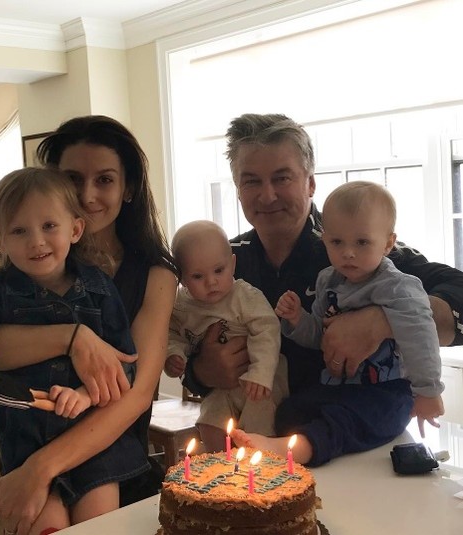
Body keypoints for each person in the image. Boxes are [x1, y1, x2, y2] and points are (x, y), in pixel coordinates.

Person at [182, 113, 463, 466]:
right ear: (238, 189)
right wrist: (201, 371)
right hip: (255, 455)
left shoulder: (355, 248)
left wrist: (382, 321)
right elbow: (183, 344)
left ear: (310, 183)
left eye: (282, 178)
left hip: (359, 453)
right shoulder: (221, 262)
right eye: (251, 181)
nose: (267, 195)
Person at [0, 116, 178, 535]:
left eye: (105, 180)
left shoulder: (153, 274)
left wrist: (39, 470)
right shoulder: (21, 266)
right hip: (28, 442)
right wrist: (72, 338)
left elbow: (134, 394)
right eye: (73, 179)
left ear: (128, 188)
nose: (87, 194)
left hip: (106, 458)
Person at [245, 180, 443, 466]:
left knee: (345, 419)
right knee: (291, 411)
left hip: (386, 391)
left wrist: (428, 391)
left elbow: (421, 338)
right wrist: (297, 319)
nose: (348, 252)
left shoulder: (399, 287)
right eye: (337, 242)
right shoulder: (328, 280)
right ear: (325, 240)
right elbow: (319, 337)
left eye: (362, 242)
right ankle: (296, 442)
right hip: (337, 386)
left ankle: (301, 449)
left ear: (388, 243)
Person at [165, 220, 286, 452]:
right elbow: (172, 333)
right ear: (182, 278)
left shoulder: (243, 296)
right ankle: (219, 462)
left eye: (219, 271)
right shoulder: (181, 306)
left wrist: (261, 372)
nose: (211, 282)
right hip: (218, 388)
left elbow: (267, 328)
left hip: (260, 379)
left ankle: (258, 466)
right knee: (210, 421)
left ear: (232, 264)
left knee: (257, 429)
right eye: (198, 276)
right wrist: (174, 355)